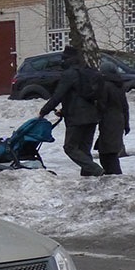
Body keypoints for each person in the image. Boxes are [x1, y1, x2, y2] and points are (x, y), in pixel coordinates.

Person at [39, 45, 104, 177]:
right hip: (92, 116)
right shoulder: (89, 72)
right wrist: (63, 111)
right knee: (85, 149)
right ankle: (88, 178)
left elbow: (58, 95)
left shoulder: (69, 74)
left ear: (67, 60)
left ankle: (96, 170)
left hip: (77, 118)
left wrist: (44, 111)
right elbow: (80, 96)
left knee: (70, 147)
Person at [94, 71, 130, 175]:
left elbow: (102, 104)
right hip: (119, 120)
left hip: (108, 121)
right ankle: (113, 174)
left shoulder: (105, 86)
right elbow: (125, 107)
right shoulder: (119, 86)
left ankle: (115, 176)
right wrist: (126, 124)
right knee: (111, 151)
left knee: (107, 153)